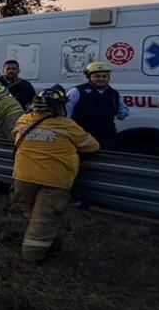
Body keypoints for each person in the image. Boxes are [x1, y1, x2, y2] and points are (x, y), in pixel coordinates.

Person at [10, 84, 100, 262]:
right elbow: (92, 146)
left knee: (29, 212)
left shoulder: (24, 120)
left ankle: (30, 239)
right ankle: (33, 257)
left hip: (22, 177)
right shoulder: (66, 125)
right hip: (54, 180)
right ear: (59, 106)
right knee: (44, 220)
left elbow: (15, 137)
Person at [67, 62, 129, 148]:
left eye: (104, 76)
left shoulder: (114, 94)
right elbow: (66, 112)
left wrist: (122, 112)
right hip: (83, 137)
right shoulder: (77, 91)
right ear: (89, 77)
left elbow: (122, 114)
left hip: (107, 137)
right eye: (97, 76)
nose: (101, 79)